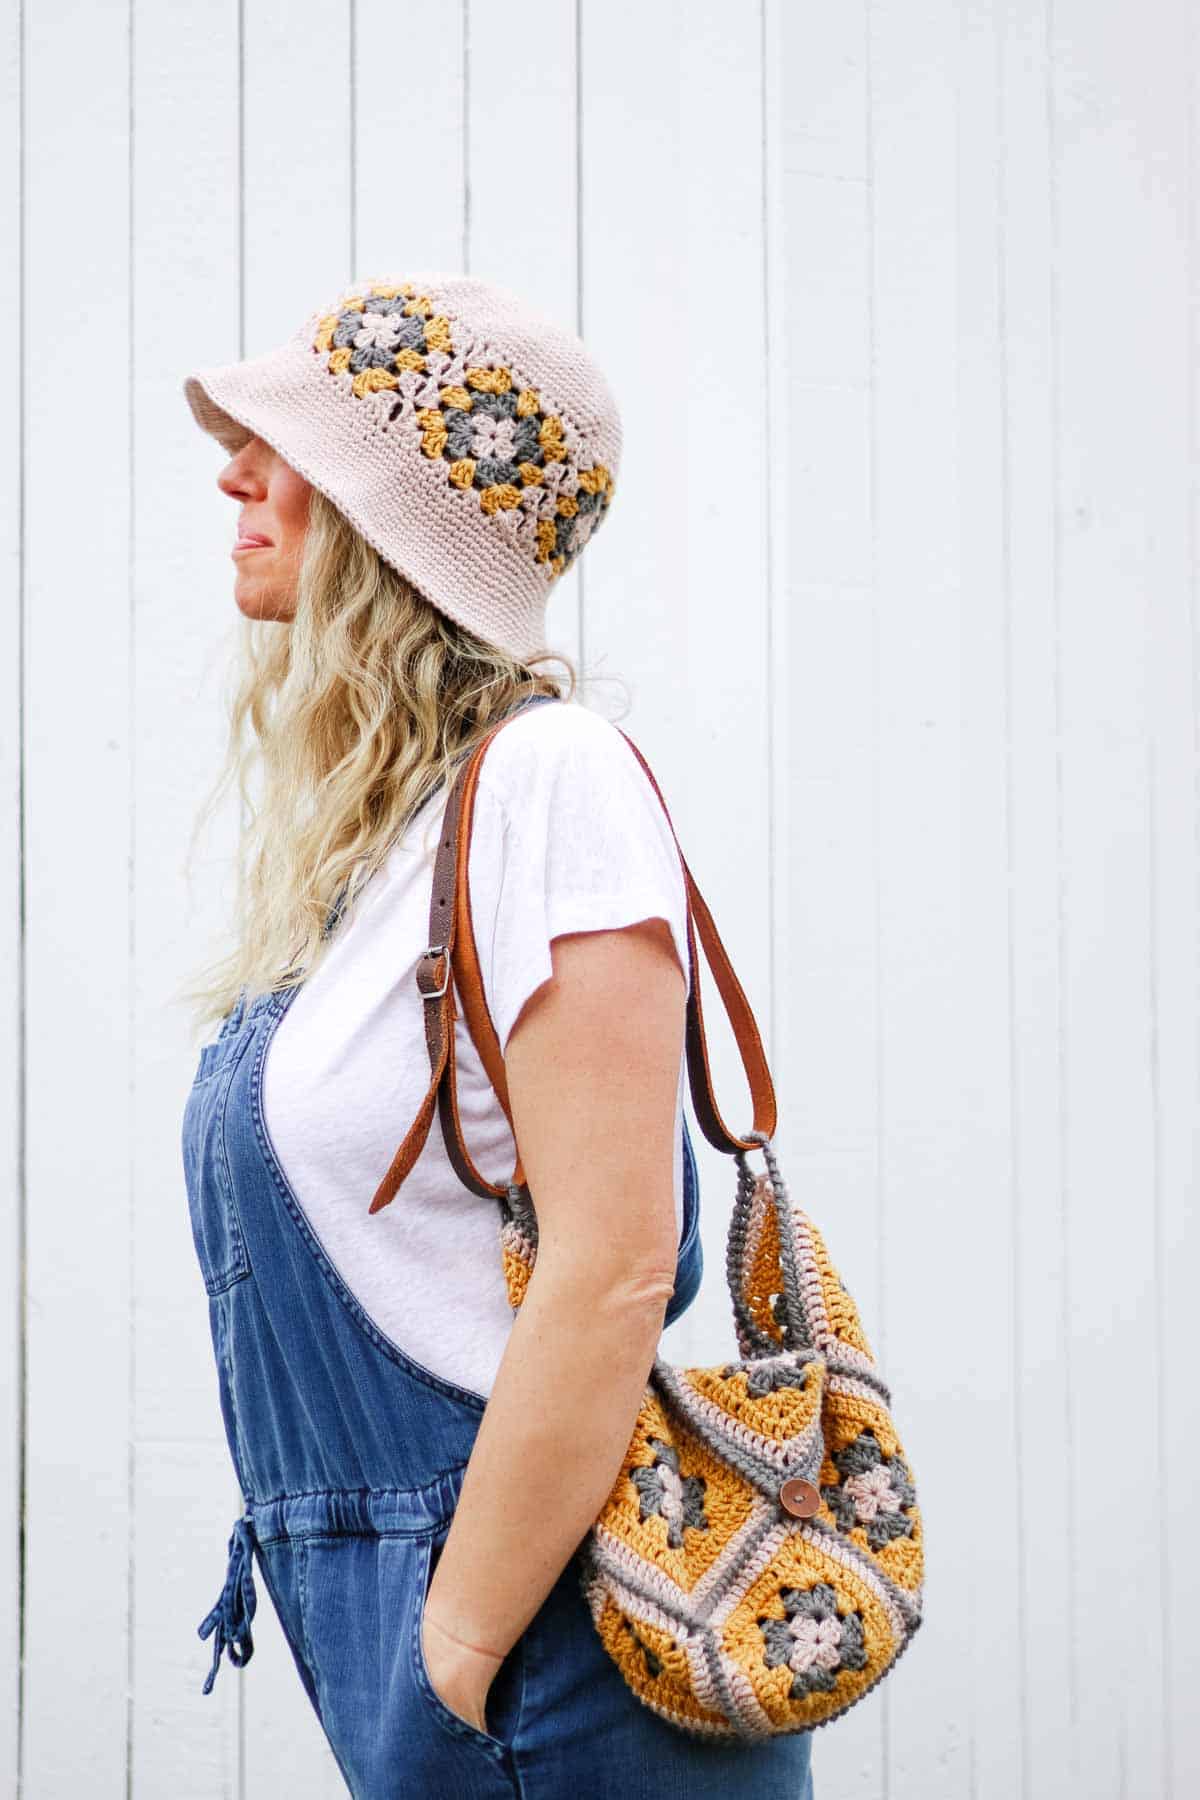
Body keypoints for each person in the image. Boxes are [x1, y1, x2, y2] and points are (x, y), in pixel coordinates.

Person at [178, 271, 816, 1799]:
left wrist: (448, 1660)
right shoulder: (392, 842)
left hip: (549, 1673)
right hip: (446, 1648)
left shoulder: (554, 778)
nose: (235, 474)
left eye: (292, 450)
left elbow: (611, 1265)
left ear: (392, 521)